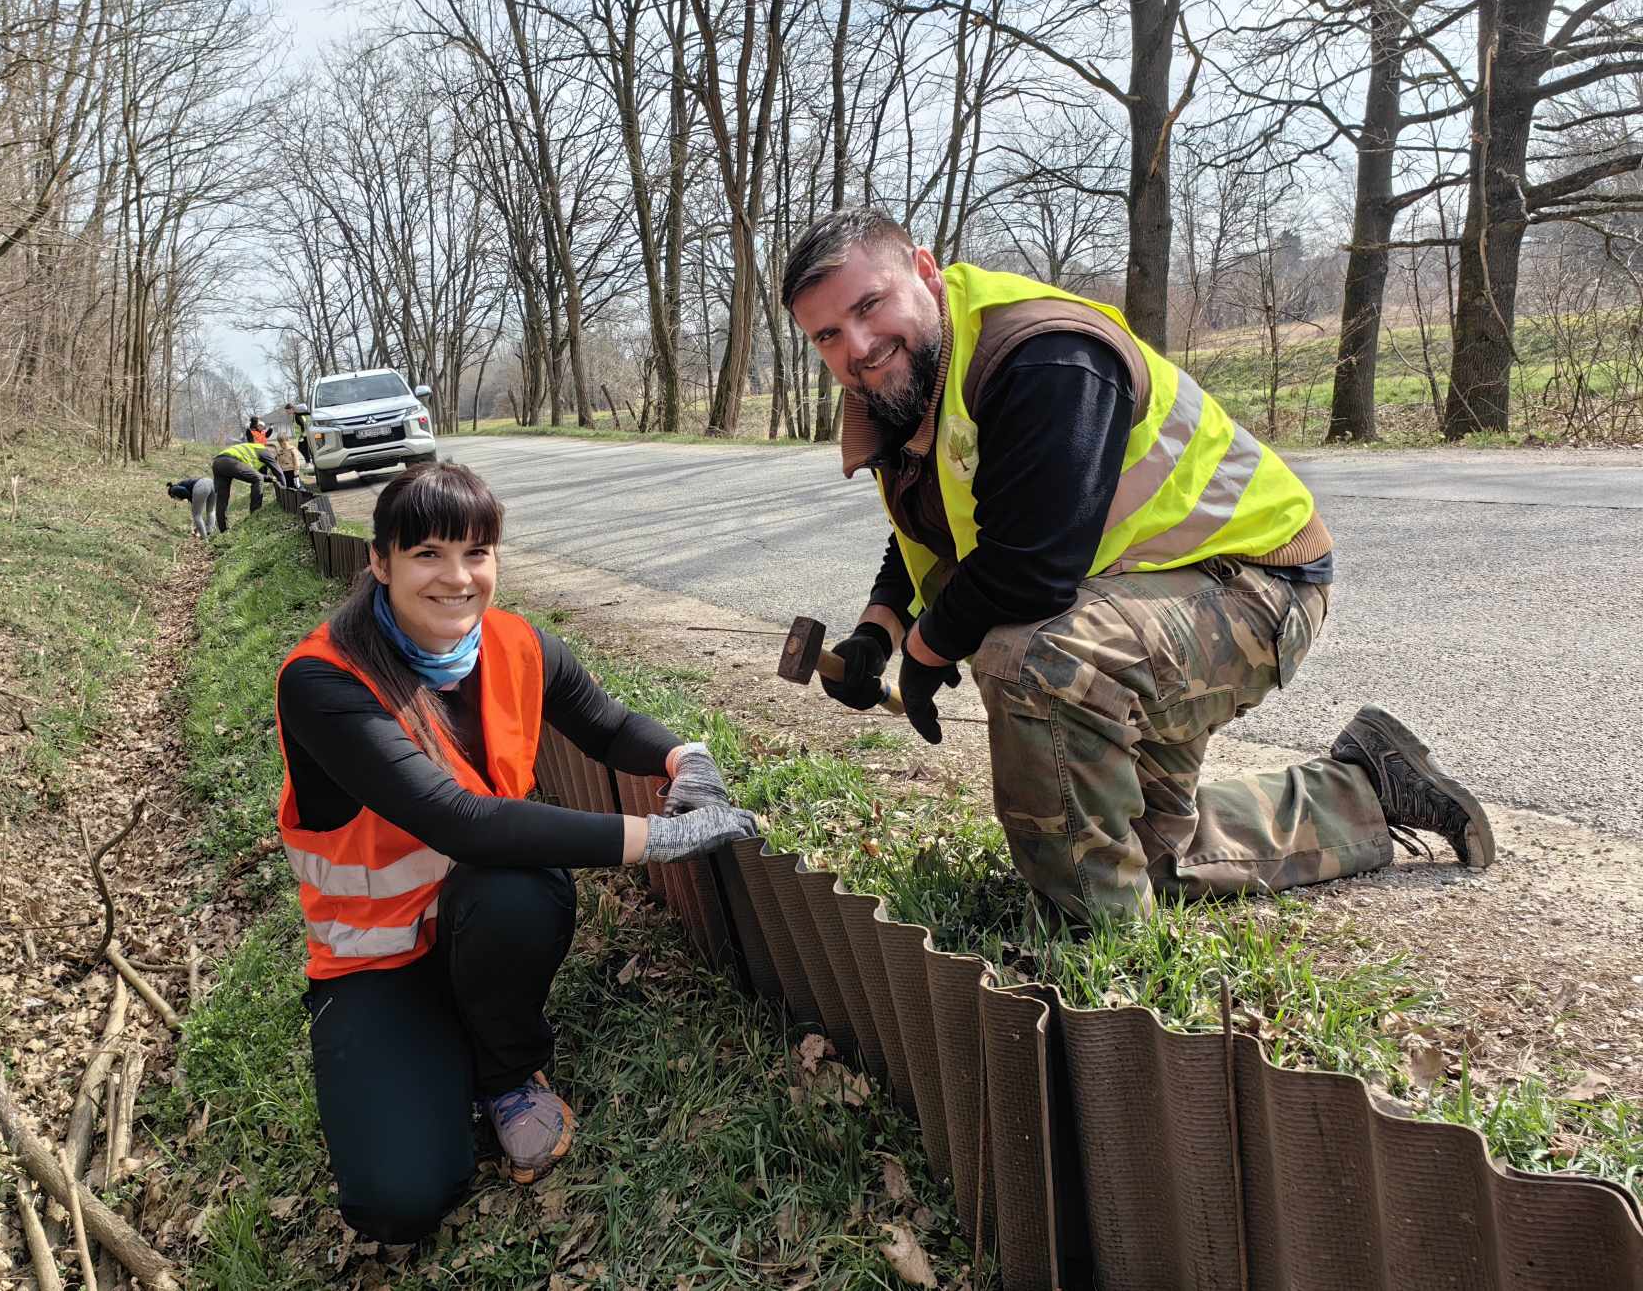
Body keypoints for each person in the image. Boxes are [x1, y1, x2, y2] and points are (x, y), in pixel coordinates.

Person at [780, 206, 1494, 929]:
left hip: (1254, 582)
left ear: (925, 272)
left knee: (1033, 659)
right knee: (1138, 852)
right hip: (1145, 591)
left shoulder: (1041, 352)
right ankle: (1367, 787)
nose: (859, 347)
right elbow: (932, 521)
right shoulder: (907, 382)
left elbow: (1028, 569)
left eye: (870, 305)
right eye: (828, 335)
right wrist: (878, 631)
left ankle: (1093, 938)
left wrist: (928, 650)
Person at [275, 463, 755, 1244]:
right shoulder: (324, 682)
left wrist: (685, 758)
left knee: (521, 886)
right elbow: (460, 820)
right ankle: (428, 1043)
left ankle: (504, 1070)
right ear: (380, 562)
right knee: (400, 1203)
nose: (458, 577)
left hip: (484, 922)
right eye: (428, 554)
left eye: (477, 552)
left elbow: (608, 726)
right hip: (376, 963)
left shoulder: (515, 644)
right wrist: (660, 838)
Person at [211, 437, 283, 533]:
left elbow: (255, 475)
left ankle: (223, 529)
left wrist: (271, 478)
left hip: (217, 463)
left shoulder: (253, 450)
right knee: (258, 479)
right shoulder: (265, 451)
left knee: (222, 498)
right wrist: (284, 487)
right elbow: (279, 472)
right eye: (275, 458)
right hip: (230, 461)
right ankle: (255, 515)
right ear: (273, 453)